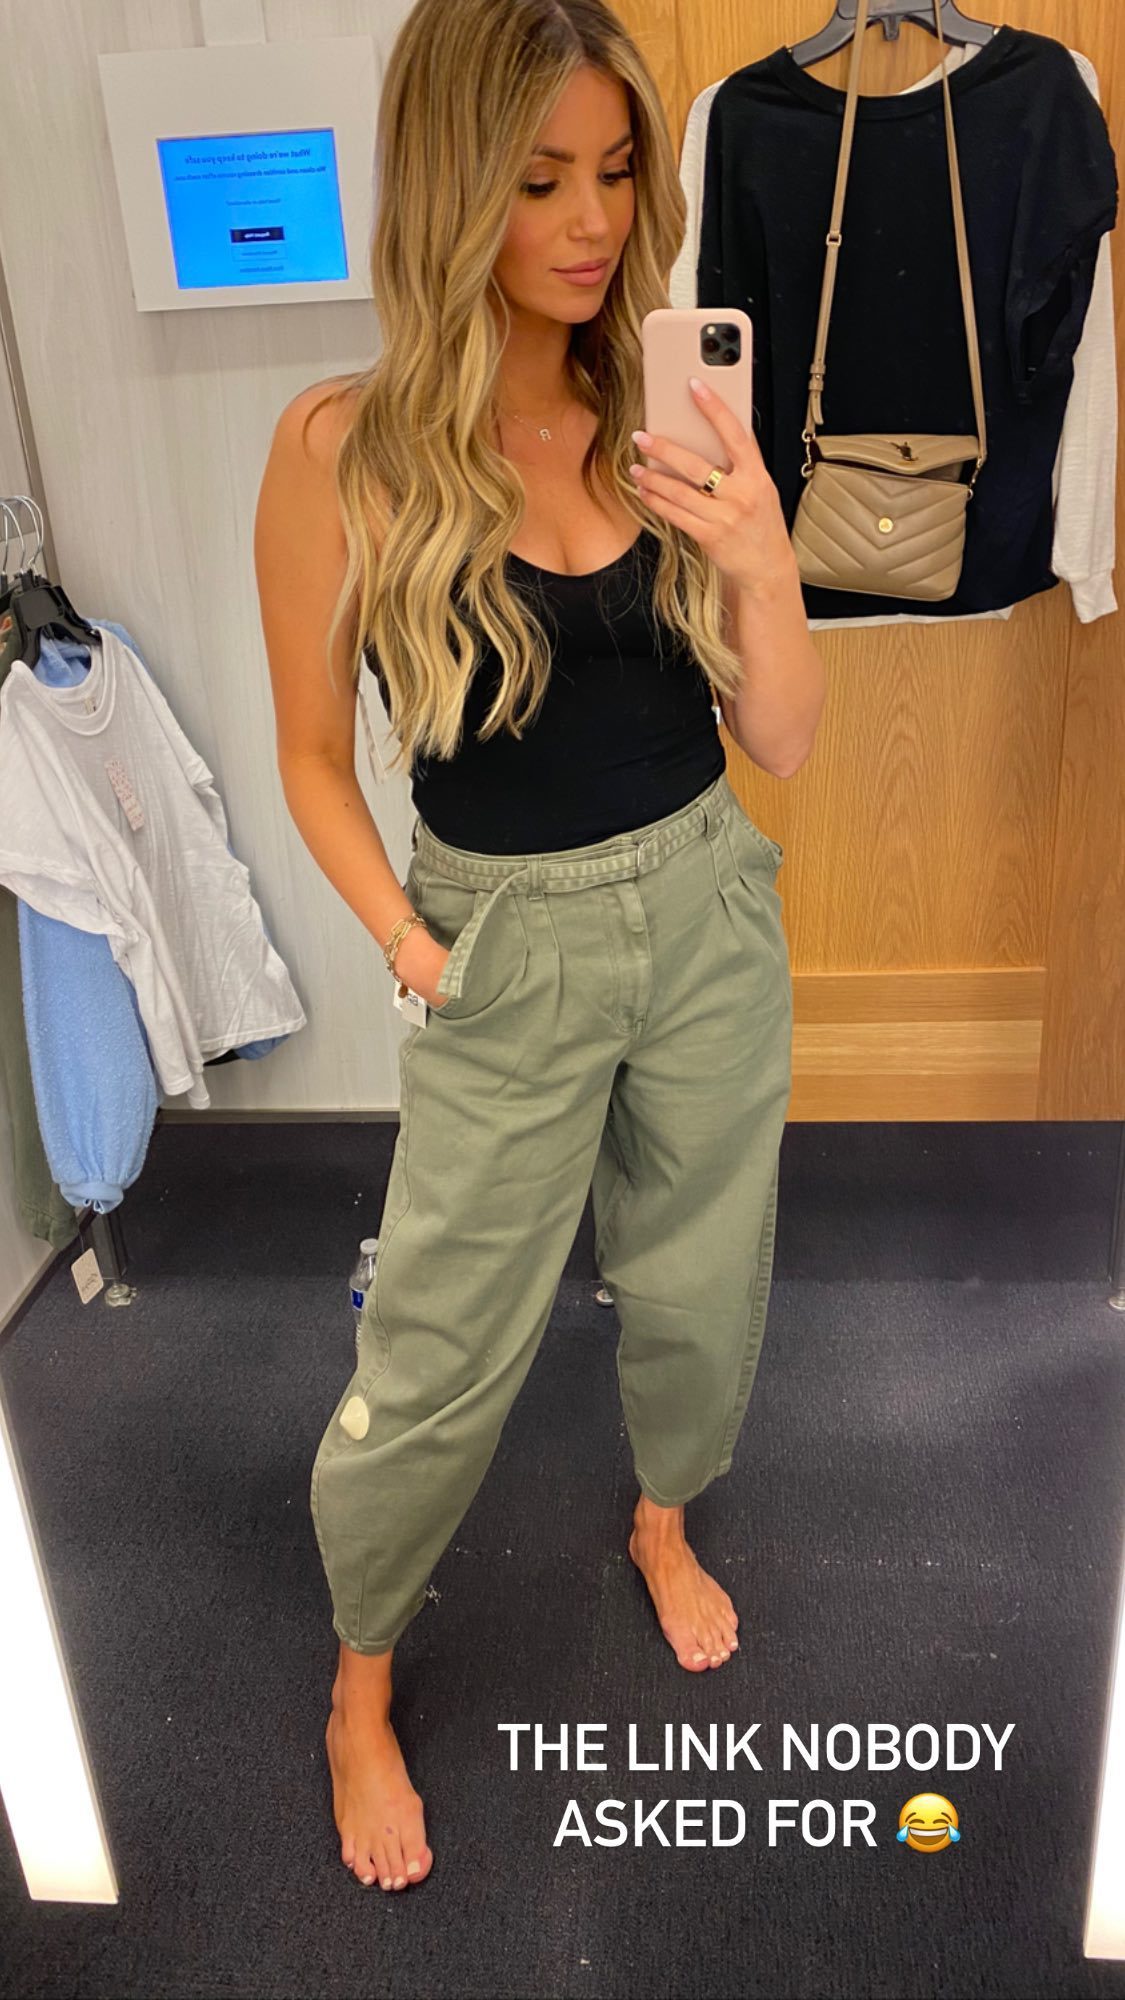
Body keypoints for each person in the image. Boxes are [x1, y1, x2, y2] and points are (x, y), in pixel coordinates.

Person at [254, 0, 825, 1901]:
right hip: (498, 942)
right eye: (537, 180)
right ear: (448, 188)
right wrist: (411, 948)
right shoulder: (341, 450)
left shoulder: (671, 418)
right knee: (436, 1337)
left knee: (699, 1274)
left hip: (705, 903)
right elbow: (306, 755)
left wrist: (759, 557)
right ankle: (359, 1681)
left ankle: (661, 1517)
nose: (591, 222)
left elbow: (784, 739)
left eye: (614, 173)